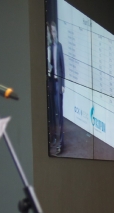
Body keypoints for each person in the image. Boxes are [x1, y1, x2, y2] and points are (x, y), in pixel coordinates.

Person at [47, 20, 65, 155]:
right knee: (52, 113)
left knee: (60, 114)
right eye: (51, 32)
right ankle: (53, 137)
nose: (53, 34)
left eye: (54, 31)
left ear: (56, 32)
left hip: (59, 83)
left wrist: (63, 84)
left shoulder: (59, 46)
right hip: (51, 83)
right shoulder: (48, 47)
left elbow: (62, 66)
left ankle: (61, 142)